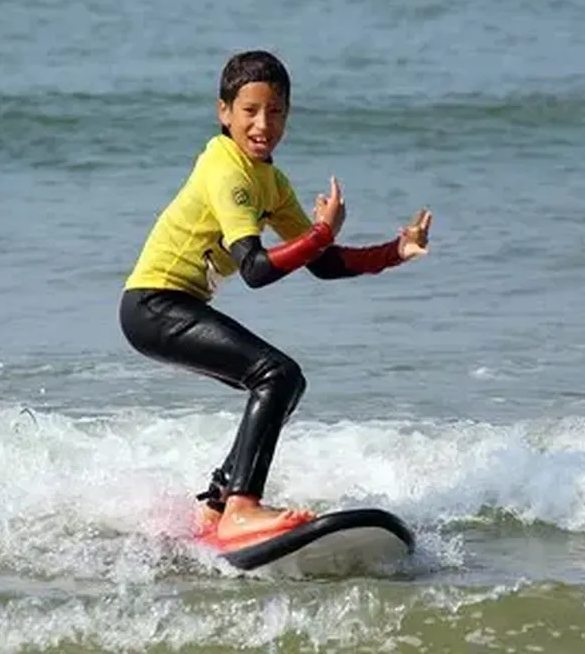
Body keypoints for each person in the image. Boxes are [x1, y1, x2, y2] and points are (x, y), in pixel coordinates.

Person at [119, 50, 432, 544]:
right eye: (250, 110)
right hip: (153, 306)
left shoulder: (269, 179)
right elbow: (257, 270)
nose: (264, 123)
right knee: (275, 374)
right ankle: (241, 508)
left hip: (175, 306)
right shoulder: (228, 172)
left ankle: (218, 505)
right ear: (224, 112)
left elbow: (323, 265)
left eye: (277, 111)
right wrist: (320, 233)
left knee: (285, 384)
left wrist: (396, 250)